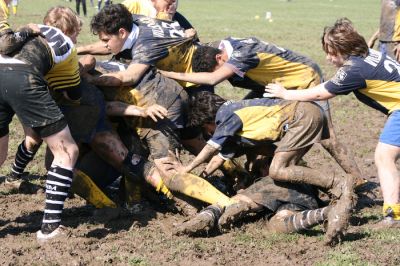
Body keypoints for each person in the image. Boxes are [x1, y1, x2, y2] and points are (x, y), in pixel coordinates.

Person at [160, 37, 366, 188]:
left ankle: (357, 181)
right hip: (271, 85)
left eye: (217, 69)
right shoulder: (223, 47)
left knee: (327, 136)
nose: (222, 76)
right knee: (247, 121)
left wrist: (165, 74)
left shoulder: (241, 53)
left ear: (219, 57)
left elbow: (212, 79)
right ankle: (256, 169)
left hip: (302, 78)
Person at [265, 18, 400, 228]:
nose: (328, 58)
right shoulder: (369, 54)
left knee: (385, 156)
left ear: (344, 49)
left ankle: (392, 215)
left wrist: (285, 93)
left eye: (331, 52)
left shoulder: (354, 70)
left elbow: (321, 93)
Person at [172, 91, 355, 245]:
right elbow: (218, 158)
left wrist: (187, 169)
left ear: (208, 122)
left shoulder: (227, 115)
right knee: (278, 222)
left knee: (267, 179)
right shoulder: (240, 131)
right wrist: (203, 175)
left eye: (208, 131)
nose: (211, 134)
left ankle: (338, 183)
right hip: (299, 191)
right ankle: (327, 212)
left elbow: (212, 148)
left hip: (300, 119)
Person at [0, 34, 79, 242]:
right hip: (23, 78)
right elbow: (74, 93)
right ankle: (50, 230)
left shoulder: (30, 34)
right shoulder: (68, 45)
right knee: (66, 151)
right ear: (72, 32)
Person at [176, 176, 330, 238]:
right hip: (304, 196)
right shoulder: (307, 176)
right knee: (280, 222)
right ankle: (322, 213)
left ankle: (210, 214)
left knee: (237, 201)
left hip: (271, 186)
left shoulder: (269, 174)